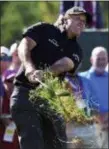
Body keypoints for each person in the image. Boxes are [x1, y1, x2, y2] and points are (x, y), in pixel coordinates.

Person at [10, 6, 91, 149]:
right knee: (33, 143)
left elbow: (63, 64)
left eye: (84, 22)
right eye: (77, 18)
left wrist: (44, 73)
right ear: (65, 19)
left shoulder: (76, 50)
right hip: (24, 94)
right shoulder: (44, 29)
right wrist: (29, 68)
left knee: (58, 144)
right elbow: (24, 46)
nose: (81, 23)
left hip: (49, 99)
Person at [79, 46, 108, 148]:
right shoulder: (81, 78)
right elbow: (79, 102)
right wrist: (96, 117)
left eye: (103, 59)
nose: (101, 61)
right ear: (91, 60)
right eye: (98, 58)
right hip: (89, 127)